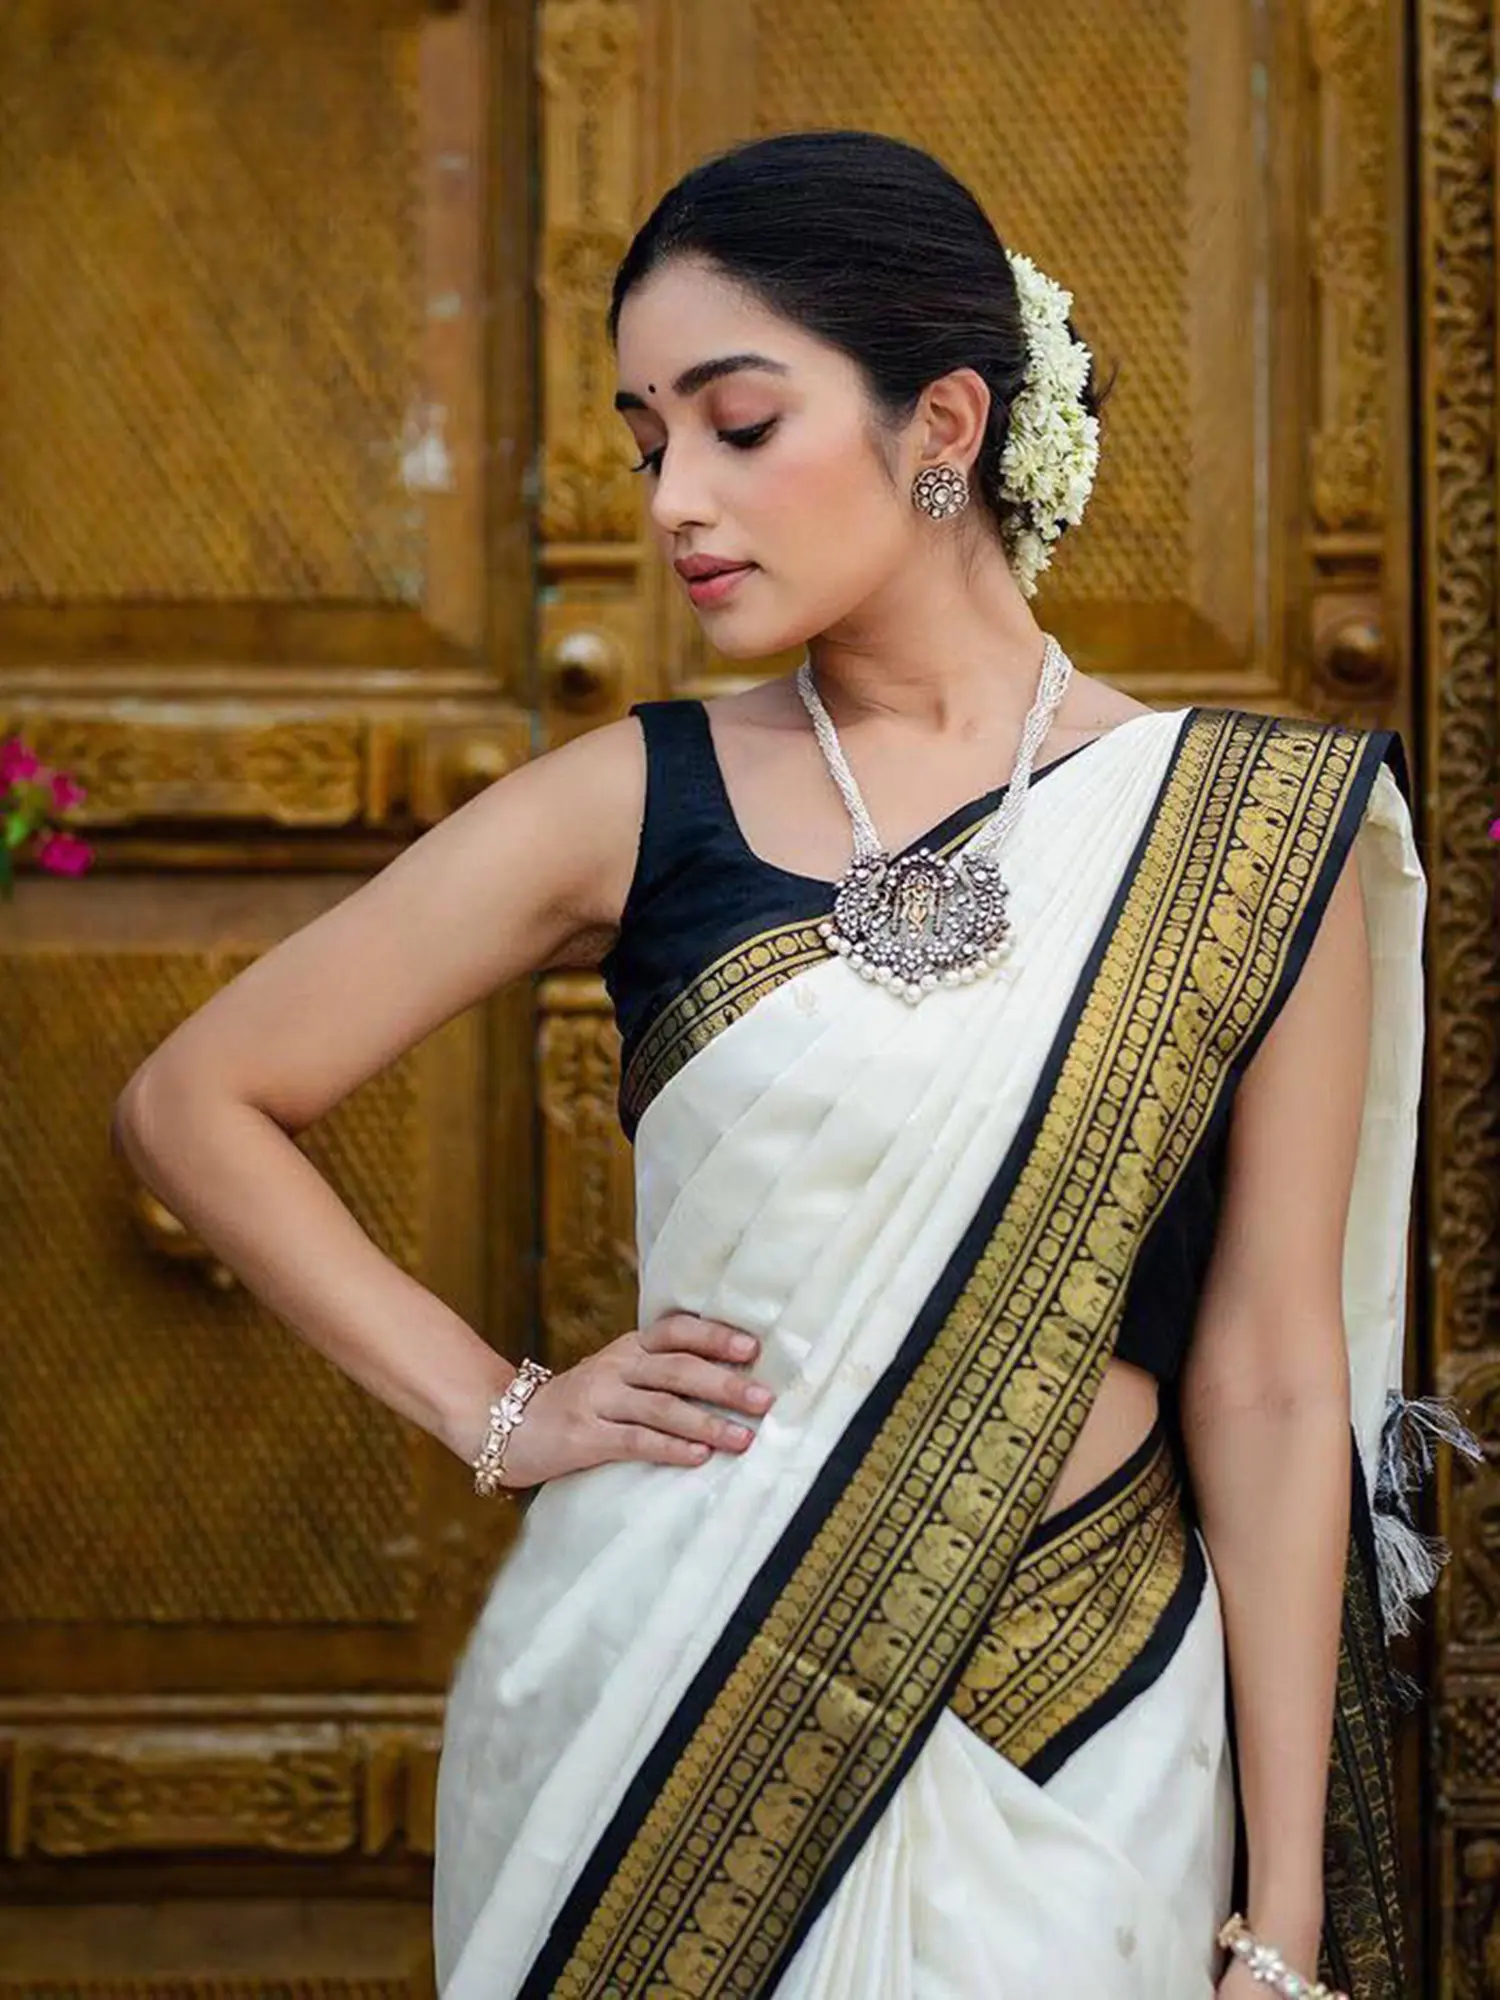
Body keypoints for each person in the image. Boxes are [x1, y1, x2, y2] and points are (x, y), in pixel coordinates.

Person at [112, 130, 1460, 1999]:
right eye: (647, 442)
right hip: (676, 1694)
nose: (677, 498)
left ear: (946, 423)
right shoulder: (629, 797)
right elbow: (192, 1102)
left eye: (740, 424)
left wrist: (1282, 1915)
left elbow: (1276, 1379)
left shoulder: (1238, 831)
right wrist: (502, 1412)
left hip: (1080, 1720)